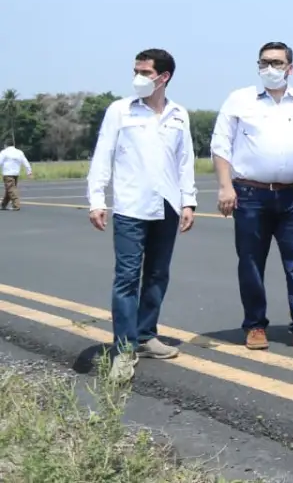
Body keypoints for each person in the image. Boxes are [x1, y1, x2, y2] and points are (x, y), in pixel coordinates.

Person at [86, 49, 197, 383]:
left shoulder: (179, 114)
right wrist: (96, 199)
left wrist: (188, 201)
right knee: (127, 278)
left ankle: (146, 335)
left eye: (145, 72)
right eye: (135, 70)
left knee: (158, 274)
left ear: (164, 77)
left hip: (167, 205)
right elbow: (102, 155)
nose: (138, 77)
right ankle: (124, 348)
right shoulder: (120, 110)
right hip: (131, 206)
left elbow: (185, 161)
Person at [211, 41, 293, 352]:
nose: (270, 69)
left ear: (290, 68)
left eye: (277, 63)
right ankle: (254, 325)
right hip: (250, 195)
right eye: (264, 63)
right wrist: (225, 186)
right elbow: (221, 145)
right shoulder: (240, 100)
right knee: (251, 262)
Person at [0, 140, 33, 211]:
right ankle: (3, 205)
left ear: (6, 145)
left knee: (11, 189)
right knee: (9, 189)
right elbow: (25, 162)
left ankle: (16, 205)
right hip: (16, 173)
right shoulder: (19, 152)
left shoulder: (4, 152)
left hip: (7, 173)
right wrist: (29, 171)